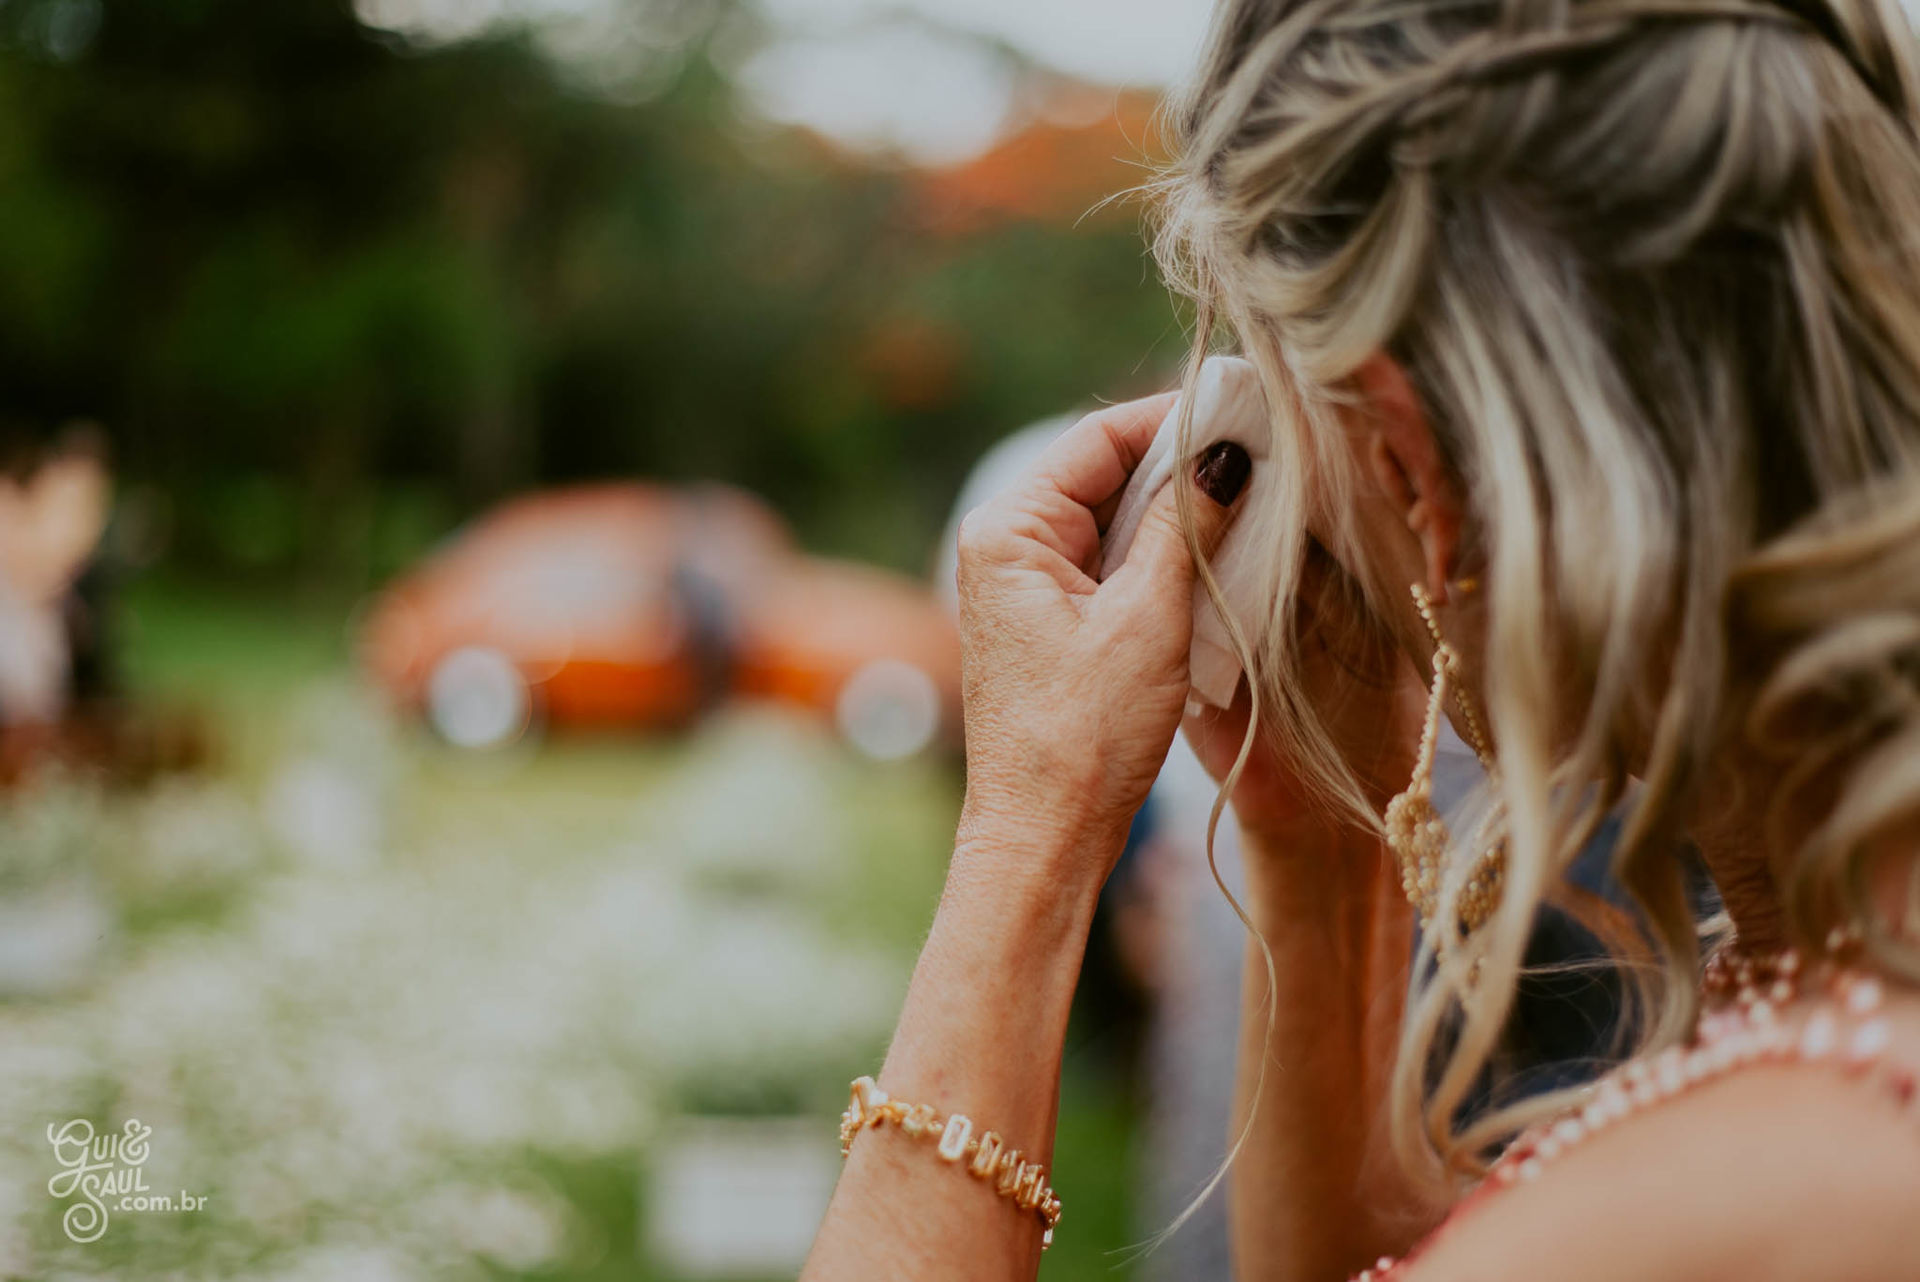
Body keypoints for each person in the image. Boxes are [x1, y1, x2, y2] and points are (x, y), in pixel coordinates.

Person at [803, 0, 1920, 1276]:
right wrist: (1316, 848)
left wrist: (1029, 832)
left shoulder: (1747, 1186)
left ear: (1411, 469)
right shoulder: (1820, 999)